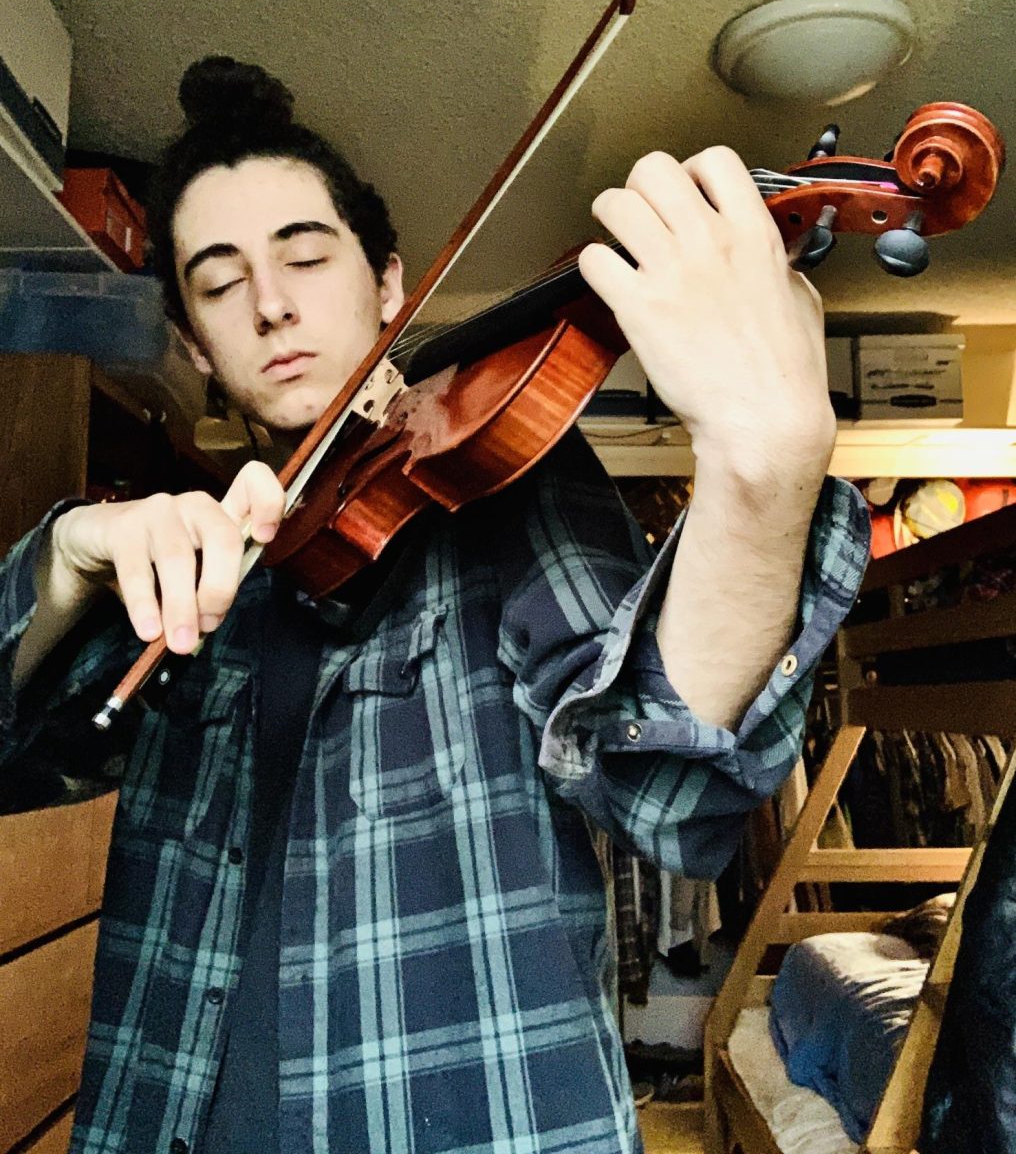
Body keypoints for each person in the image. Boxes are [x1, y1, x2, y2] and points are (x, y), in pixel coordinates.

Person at [1, 56, 869, 1153]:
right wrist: (64, 561)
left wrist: (759, 477)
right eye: (218, 284)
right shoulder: (181, 560)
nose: (270, 304)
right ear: (196, 351)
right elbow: (16, 751)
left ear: (389, 287)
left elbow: (668, 796)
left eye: (306, 257)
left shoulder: (498, 487)